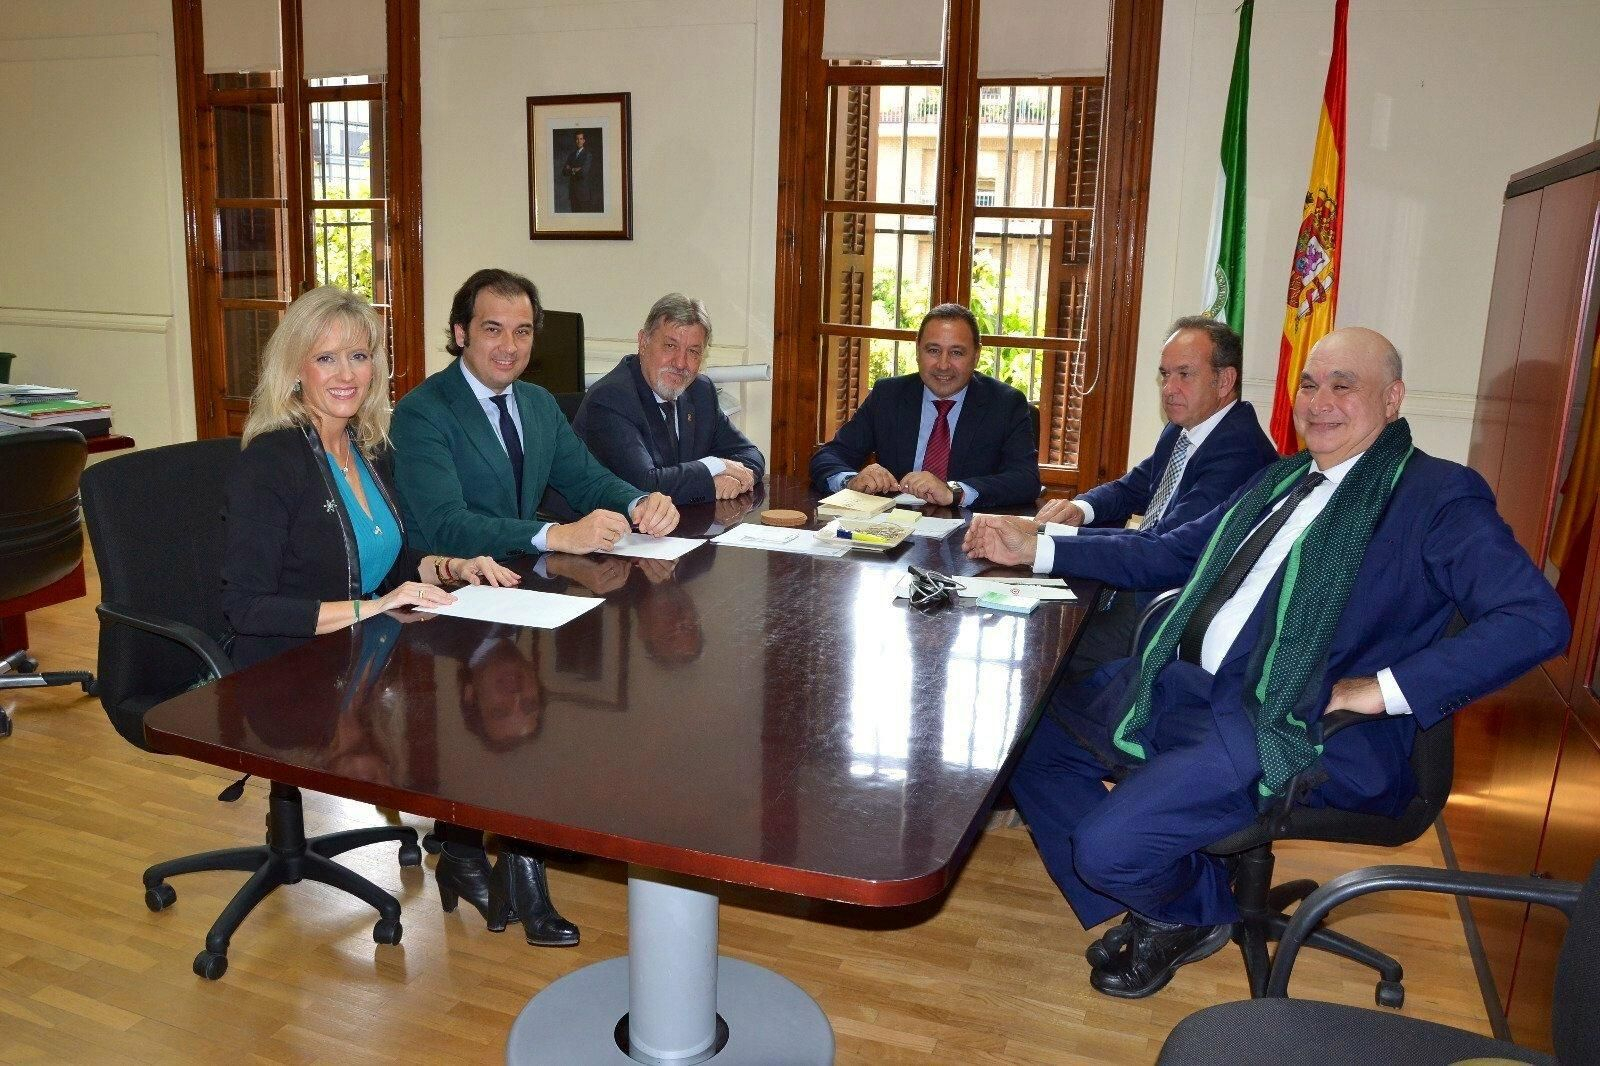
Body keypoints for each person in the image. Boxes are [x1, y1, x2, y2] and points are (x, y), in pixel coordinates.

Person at [964, 326, 1570, 1000]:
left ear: (1393, 399)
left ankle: (1184, 907)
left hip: (1289, 721)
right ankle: (1171, 901)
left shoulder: (1436, 496)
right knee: (1031, 739)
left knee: (1104, 848)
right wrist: (1039, 547)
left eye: (1344, 385)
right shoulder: (1281, 478)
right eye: (1310, 384)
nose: (1320, 401)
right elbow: (1168, 552)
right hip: (1188, 687)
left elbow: (1536, 619)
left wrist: (1388, 690)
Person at [391, 268, 678, 948]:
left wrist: (637, 501)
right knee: (500, 714)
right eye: (492, 330)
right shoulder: (423, 412)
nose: (508, 347)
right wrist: (553, 534)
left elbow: (583, 478)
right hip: (441, 605)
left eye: (522, 332)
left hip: (510, 595)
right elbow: (442, 523)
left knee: (531, 711)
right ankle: (508, 861)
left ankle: (479, 848)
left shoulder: (538, 405)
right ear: (460, 333)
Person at [222, 286, 518, 675]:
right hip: (287, 671)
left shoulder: (369, 447)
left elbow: (389, 568)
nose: (346, 374)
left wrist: (455, 568)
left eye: (358, 357)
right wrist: (375, 606)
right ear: (295, 369)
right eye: (325, 358)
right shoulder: (272, 462)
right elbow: (246, 607)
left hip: (361, 655)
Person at [1012, 317, 1277, 674]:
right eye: (1165, 374)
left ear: (1225, 381)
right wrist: (1079, 509)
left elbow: (1163, 549)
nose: (1169, 388)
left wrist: (1043, 541)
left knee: (1043, 644)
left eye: (1184, 374)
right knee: (1024, 612)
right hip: (1139, 580)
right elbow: (1132, 488)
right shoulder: (1186, 429)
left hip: (1167, 608)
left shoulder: (1239, 452)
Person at [809, 303, 1040, 508]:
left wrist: (954, 491)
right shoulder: (888, 395)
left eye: (956, 352)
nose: (943, 365)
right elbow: (829, 456)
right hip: (894, 532)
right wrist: (851, 480)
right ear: (918, 350)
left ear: (976, 355)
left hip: (970, 535)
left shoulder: (1005, 404)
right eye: (933, 350)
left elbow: (1025, 480)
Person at [573, 294, 765, 505]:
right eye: (670, 346)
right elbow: (645, 484)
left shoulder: (700, 391)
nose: (681, 363)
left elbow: (750, 454)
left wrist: (740, 479)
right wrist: (715, 467)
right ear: (643, 342)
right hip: (614, 530)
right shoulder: (611, 398)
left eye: (693, 351)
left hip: (678, 528)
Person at [561, 131, 596, 212]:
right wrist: (575, 169)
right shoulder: (571, 155)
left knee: (583, 220)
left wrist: (570, 169)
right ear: (575, 141)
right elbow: (564, 172)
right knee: (574, 220)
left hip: (583, 194)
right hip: (573, 193)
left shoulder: (588, 155)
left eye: (581, 139)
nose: (579, 141)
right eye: (577, 139)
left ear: (584, 141)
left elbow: (583, 173)